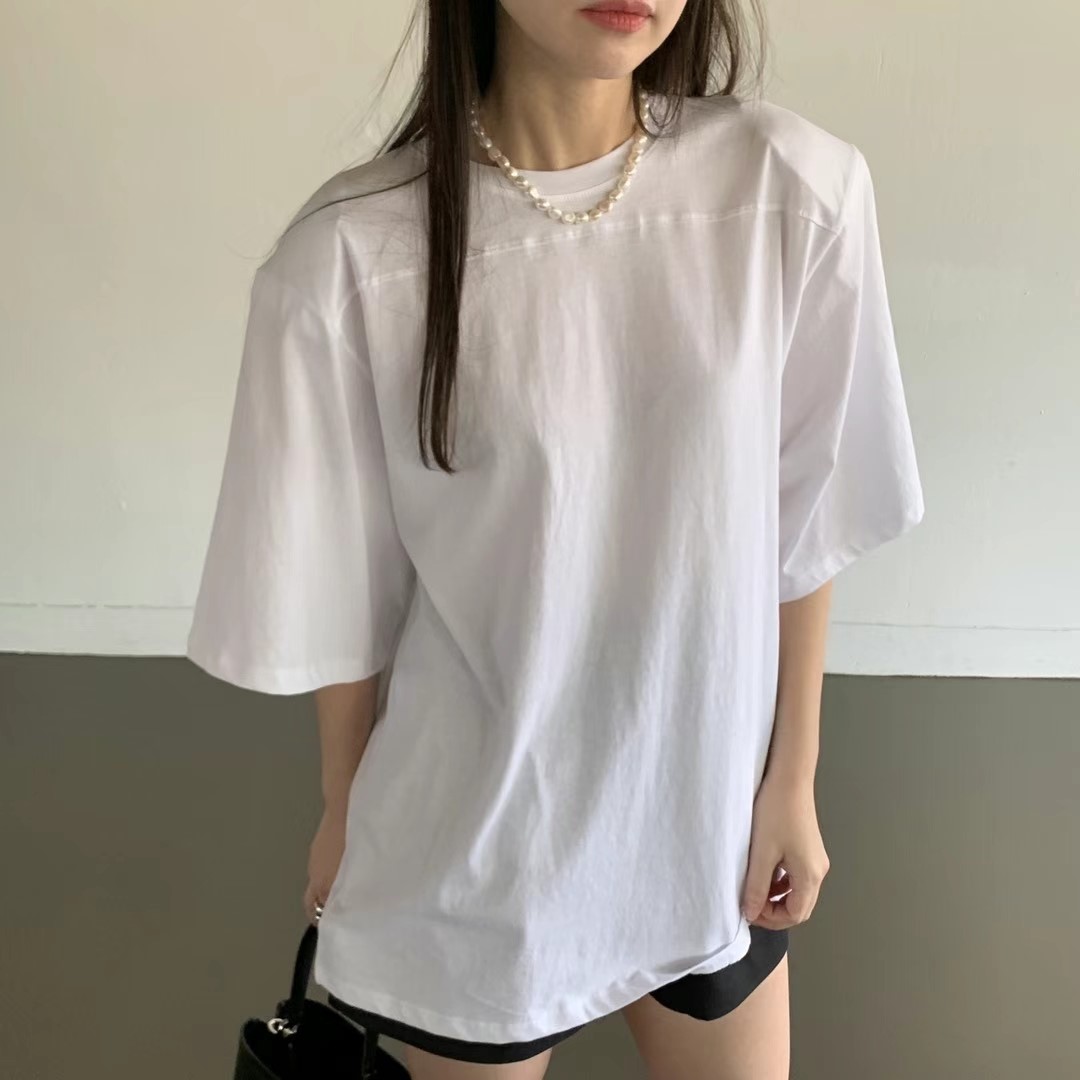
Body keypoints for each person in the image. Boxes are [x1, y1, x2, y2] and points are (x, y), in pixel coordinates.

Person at [186, 1, 926, 1077]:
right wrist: (344, 806)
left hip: (710, 834)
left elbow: (802, 517)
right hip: (473, 861)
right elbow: (344, 590)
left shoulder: (789, 190)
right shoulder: (351, 258)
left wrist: (793, 777)